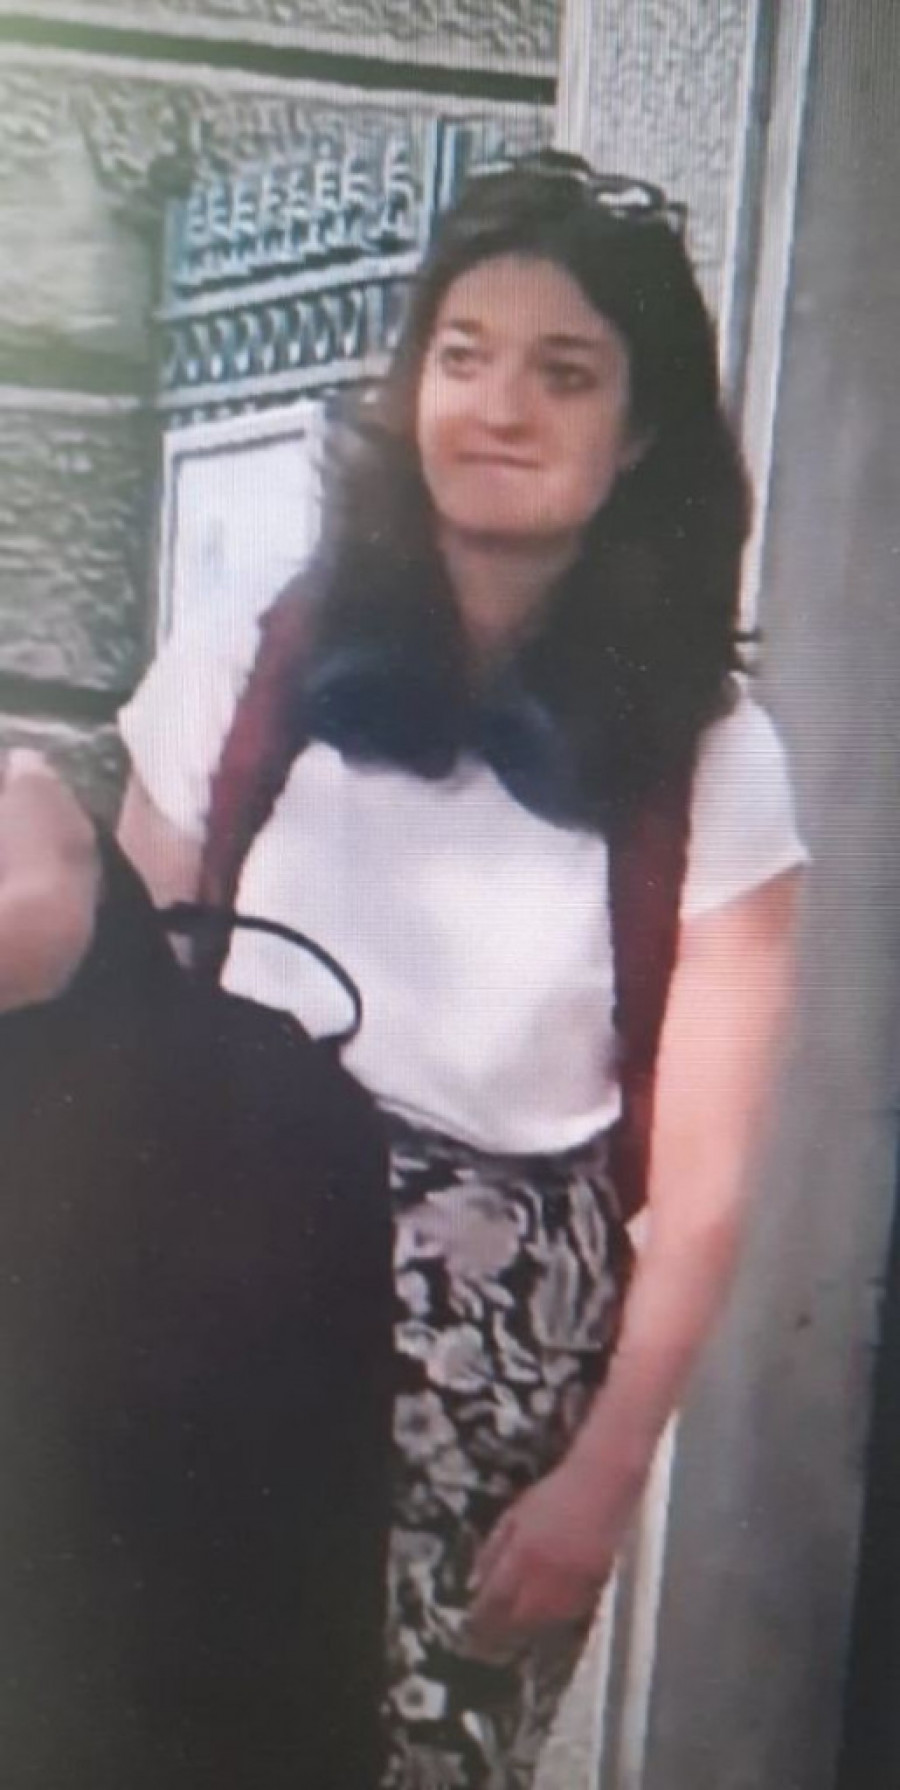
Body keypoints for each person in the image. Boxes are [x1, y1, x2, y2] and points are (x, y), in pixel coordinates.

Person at [0, 153, 808, 1788]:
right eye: (463, 354)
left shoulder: (712, 757)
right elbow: (131, 1023)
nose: (498, 406)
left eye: (563, 372)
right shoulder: (252, 653)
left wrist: (604, 1481)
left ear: (640, 433)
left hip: (489, 1398)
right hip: (208, 1317)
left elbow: (708, 1189)